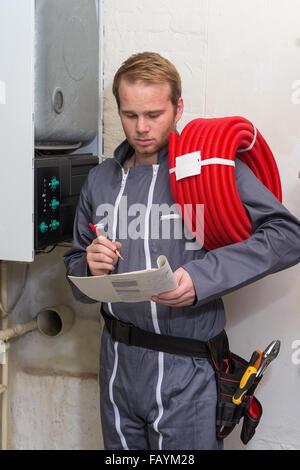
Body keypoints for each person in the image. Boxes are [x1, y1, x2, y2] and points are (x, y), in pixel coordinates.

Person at [63, 52, 300, 450]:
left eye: (154, 114)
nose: (141, 128)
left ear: (178, 108)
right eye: (130, 114)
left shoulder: (211, 170)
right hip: (117, 365)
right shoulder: (99, 181)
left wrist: (202, 278)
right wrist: (89, 265)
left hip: (187, 371)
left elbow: (287, 236)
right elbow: (73, 271)